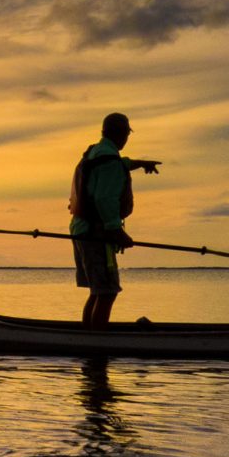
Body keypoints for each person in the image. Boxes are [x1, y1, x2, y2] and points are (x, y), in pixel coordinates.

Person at [68, 113, 161, 330]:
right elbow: (104, 198)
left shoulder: (96, 152)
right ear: (122, 134)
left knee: (98, 291)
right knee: (107, 291)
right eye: (127, 133)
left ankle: (88, 338)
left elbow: (114, 164)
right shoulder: (109, 160)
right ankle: (96, 342)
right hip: (97, 234)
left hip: (81, 229)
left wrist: (137, 163)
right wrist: (116, 230)